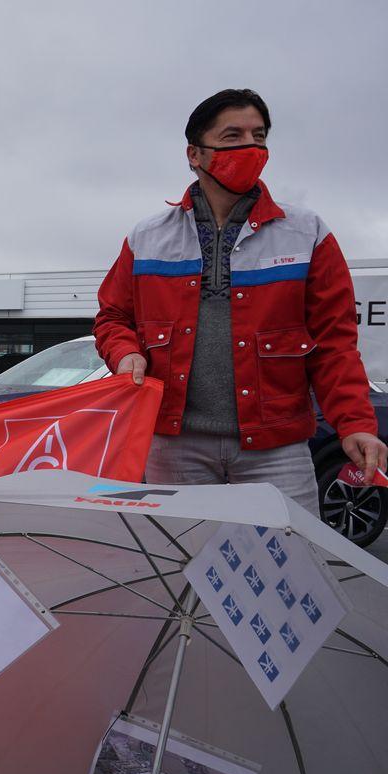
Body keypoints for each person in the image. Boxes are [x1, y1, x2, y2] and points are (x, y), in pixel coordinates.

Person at [95, 88, 386, 513]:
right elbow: (112, 316)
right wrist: (125, 353)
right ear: (195, 154)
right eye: (233, 136)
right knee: (184, 552)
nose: (251, 147)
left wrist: (355, 423)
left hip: (278, 449)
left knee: (288, 553)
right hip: (175, 448)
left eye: (259, 136)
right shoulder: (148, 237)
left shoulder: (307, 233)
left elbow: (335, 345)